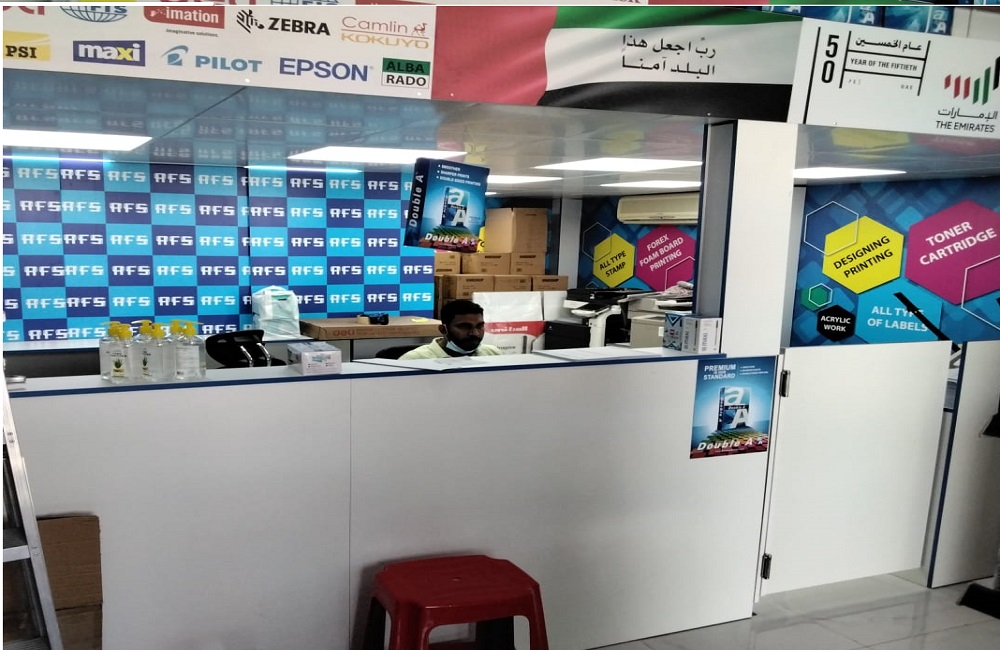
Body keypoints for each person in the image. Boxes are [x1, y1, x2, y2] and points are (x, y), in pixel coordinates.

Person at [399, 299, 502, 359]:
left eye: (479, 326)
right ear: (443, 329)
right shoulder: (414, 360)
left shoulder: (493, 354)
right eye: (464, 327)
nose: (475, 333)